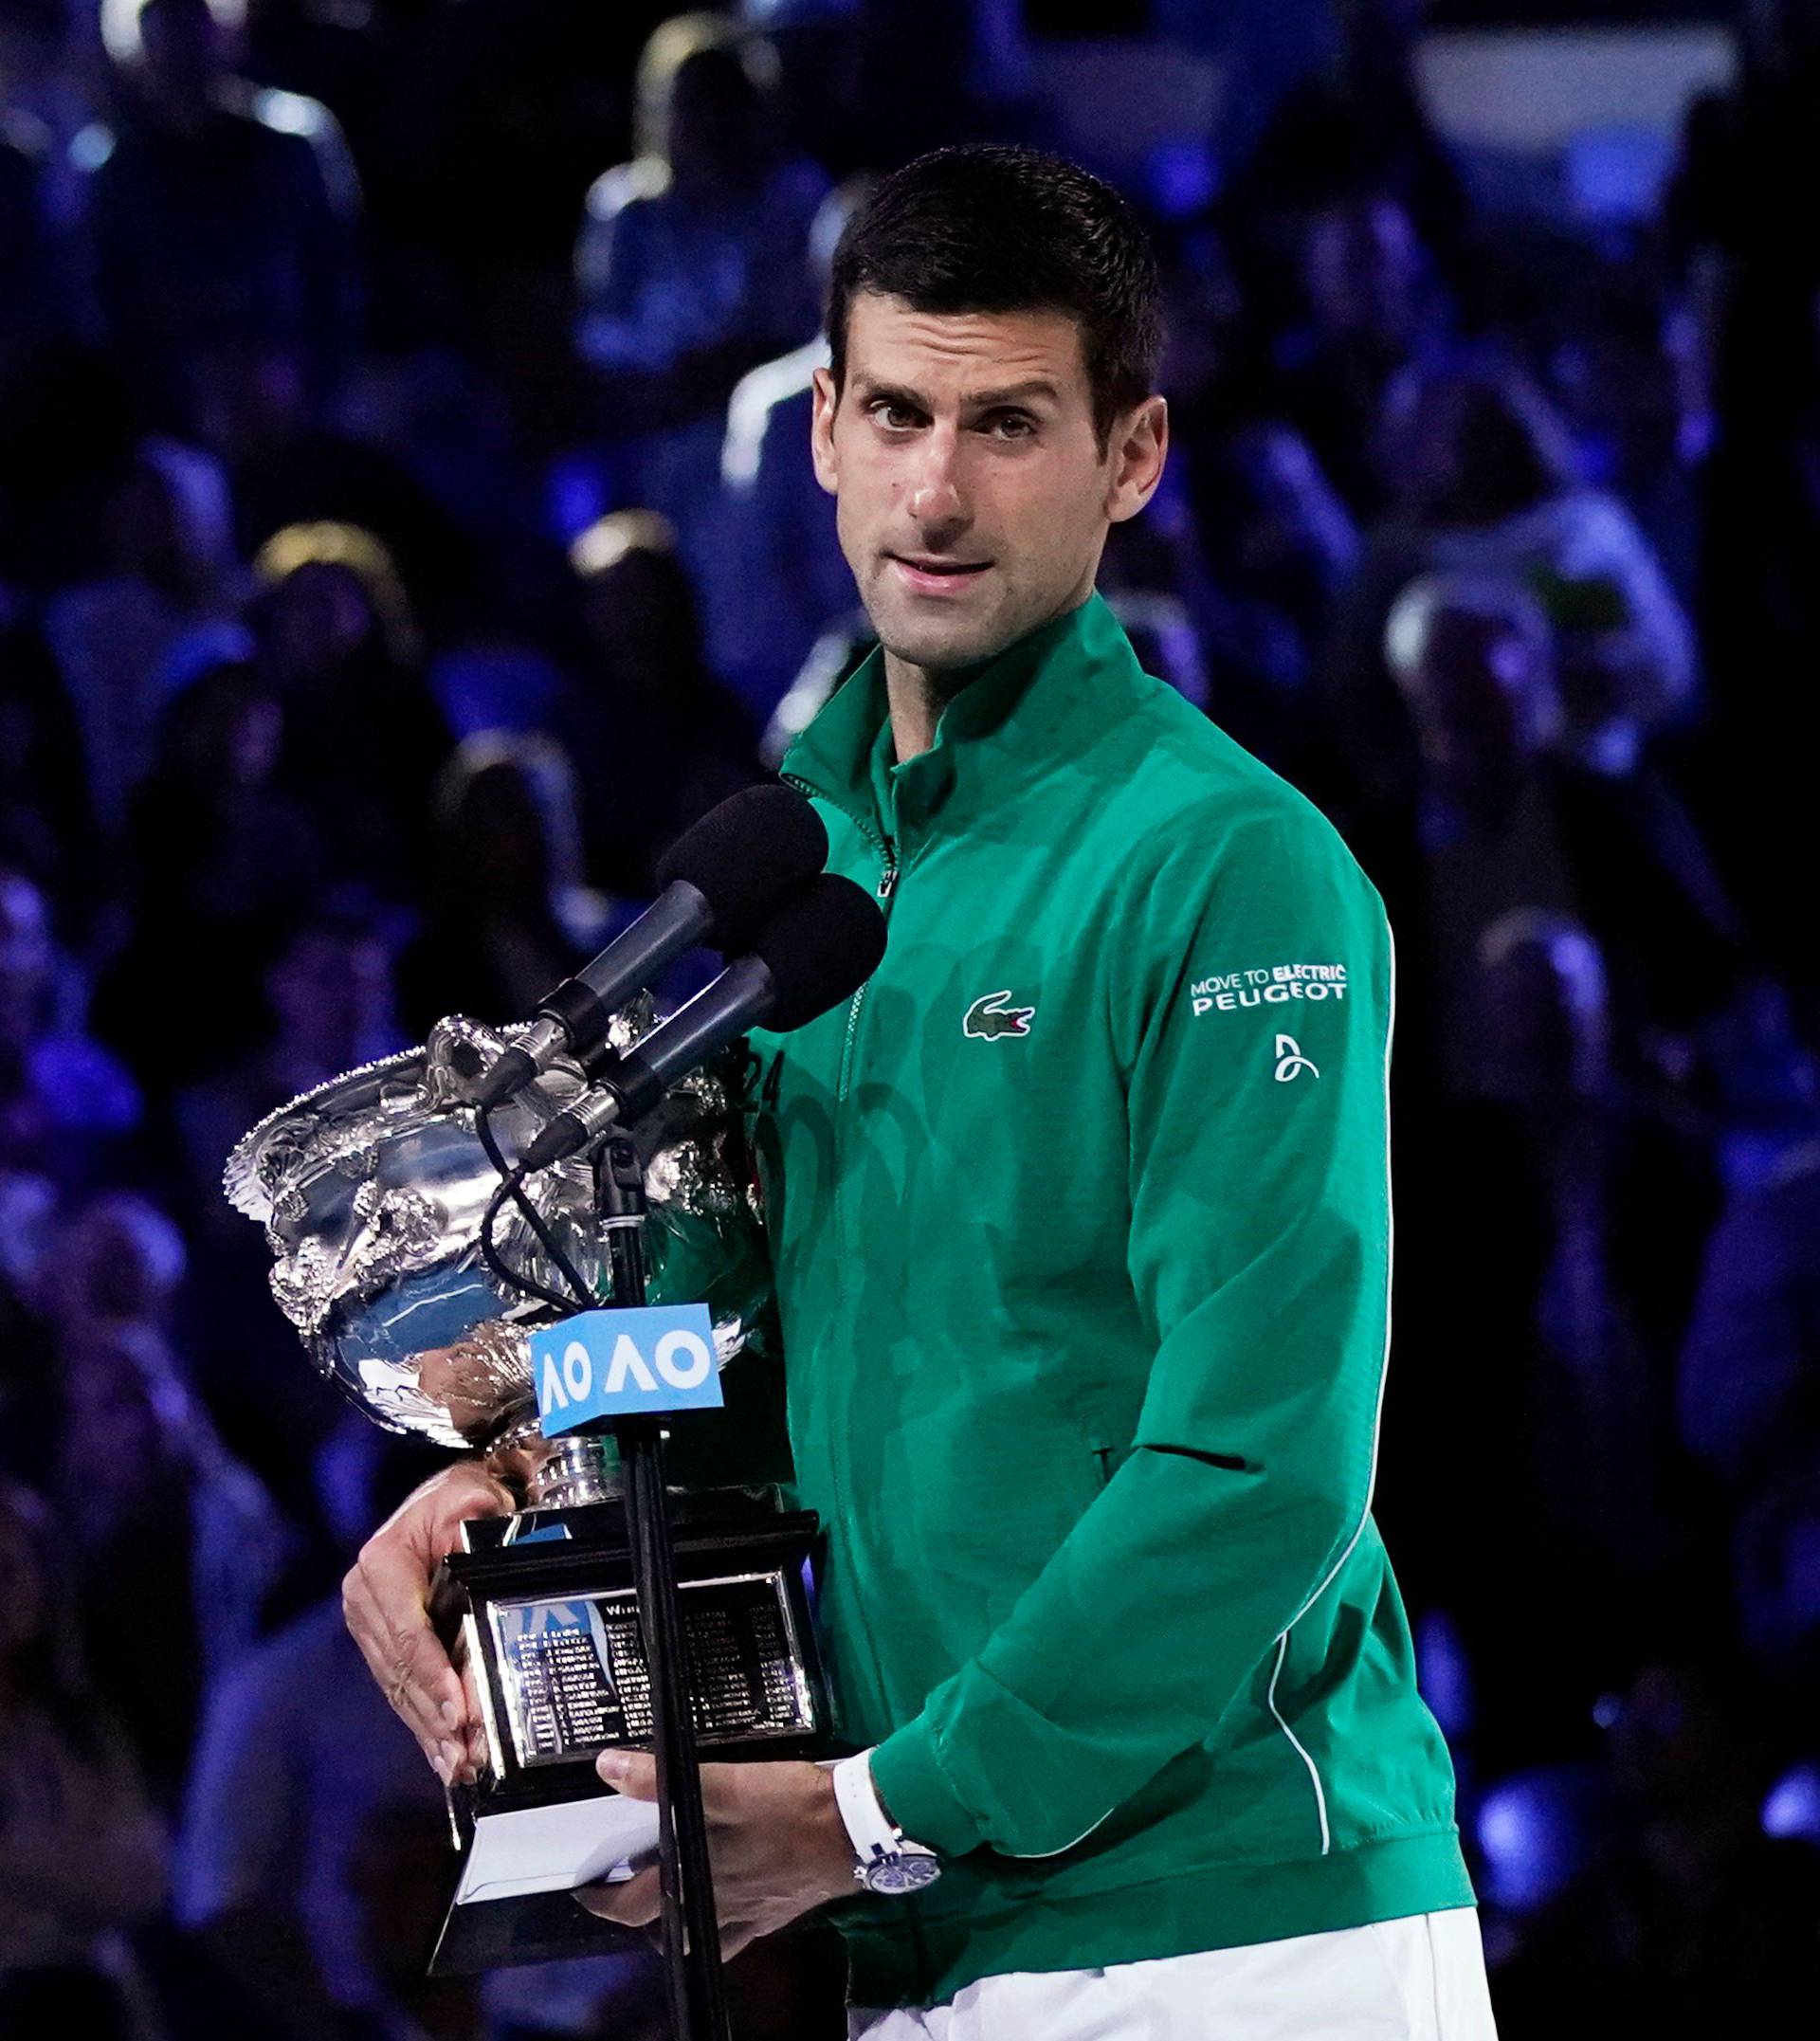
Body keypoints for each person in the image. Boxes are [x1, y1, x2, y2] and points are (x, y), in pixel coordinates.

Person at [344, 145, 1497, 2037]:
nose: (938, 489)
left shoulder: (1228, 867)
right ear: (821, 431)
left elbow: (1262, 1461)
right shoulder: (792, 878)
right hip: (909, 1932)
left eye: (1011, 424)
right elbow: (736, 1352)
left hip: (1242, 1930)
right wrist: (507, 1475)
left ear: (1135, 457)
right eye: (896, 411)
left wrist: (881, 1809)